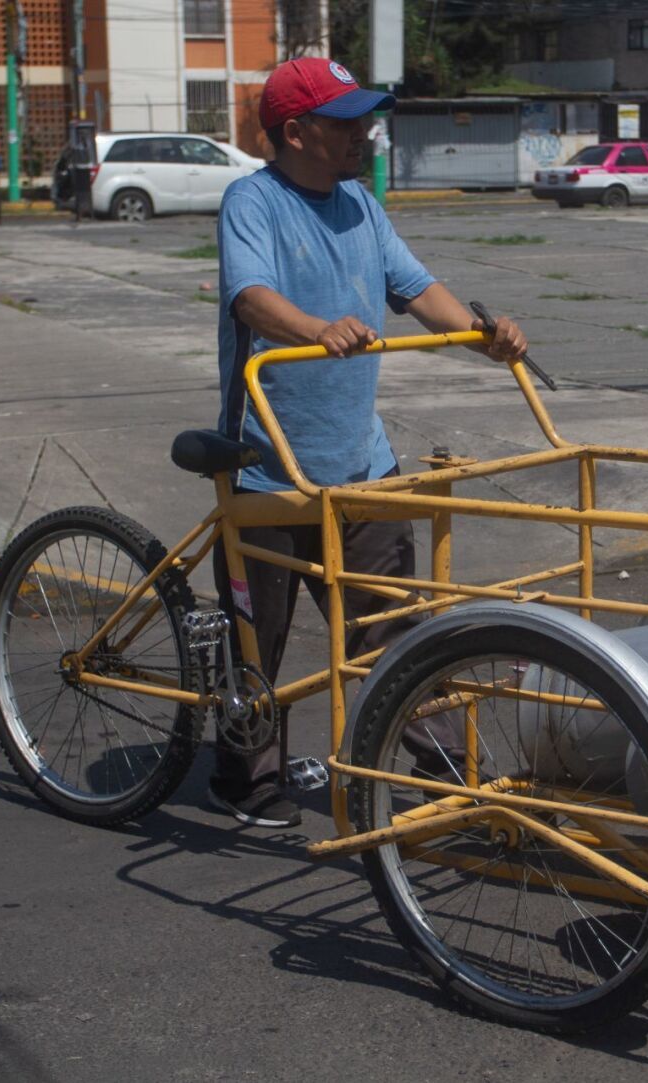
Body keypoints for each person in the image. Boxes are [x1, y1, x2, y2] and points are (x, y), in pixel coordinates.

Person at [208, 57, 528, 828]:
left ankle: (443, 768)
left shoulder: (360, 203)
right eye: (345, 120)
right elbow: (250, 297)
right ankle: (244, 774)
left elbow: (418, 290)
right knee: (261, 640)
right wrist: (317, 330)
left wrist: (482, 336)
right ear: (295, 131)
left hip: (363, 461)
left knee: (395, 627)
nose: (362, 132)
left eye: (363, 117)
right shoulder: (252, 202)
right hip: (267, 465)